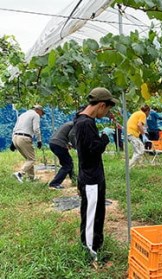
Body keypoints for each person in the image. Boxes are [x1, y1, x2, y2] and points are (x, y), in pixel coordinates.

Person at [73, 87, 118, 261]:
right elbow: (93, 150)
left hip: (91, 175)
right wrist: (105, 137)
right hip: (91, 178)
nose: (106, 113)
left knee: (96, 212)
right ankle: (91, 251)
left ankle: (93, 244)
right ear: (101, 105)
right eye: (107, 109)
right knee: (92, 215)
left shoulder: (82, 119)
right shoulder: (86, 123)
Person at [11, 104, 45, 183]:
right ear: (38, 110)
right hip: (24, 138)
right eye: (41, 113)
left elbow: (15, 128)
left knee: (28, 159)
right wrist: (39, 140)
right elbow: (36, 128)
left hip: (16, 137)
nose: (41, 115)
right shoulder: (35, 115)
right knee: (32, 159)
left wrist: (12, 142)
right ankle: (19, 173)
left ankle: (31, 178)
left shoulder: (22, 115)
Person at [48, 121, 76, 189]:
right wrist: (76, 146)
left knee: (69, 162)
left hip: (53, 143)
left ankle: (75, 180)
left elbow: (62, 135)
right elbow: (71, 135)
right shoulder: (76, 124)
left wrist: (67, 144)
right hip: (59, 144)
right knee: (67, 165)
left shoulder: (69, 123)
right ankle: (55, 183)